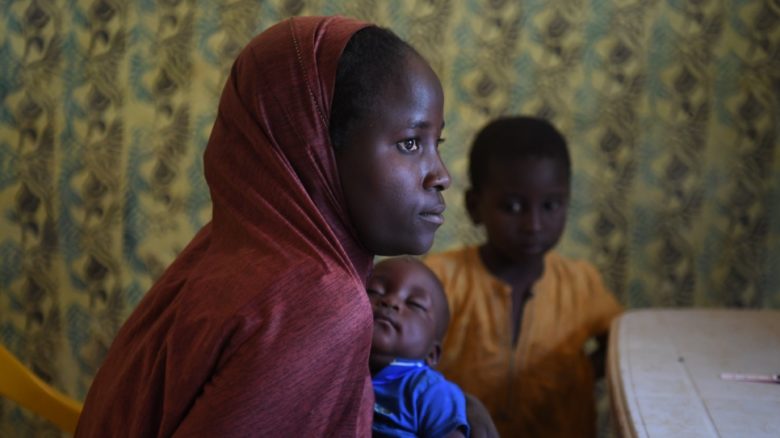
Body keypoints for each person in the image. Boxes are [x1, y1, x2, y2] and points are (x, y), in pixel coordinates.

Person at [76, 16, 451, 437]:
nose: (440, 175)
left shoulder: (228, 254)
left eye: (438, 144)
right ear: (317, 150)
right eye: (410, 143)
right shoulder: (320, 305)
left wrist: (454, 408)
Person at [424, 116, 624, 437]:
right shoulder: (440, 280)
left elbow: (623, 344)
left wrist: (581, 372)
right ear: (475, 207)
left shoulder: (580, 283)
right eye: (513, 206)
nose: (534, 224)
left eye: (550, 205)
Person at [367, 257, 469, 437]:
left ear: (432, 353)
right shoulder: (335, 366)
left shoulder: (429, 391)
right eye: (374, 290)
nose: (391, 301)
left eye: (415, 304)